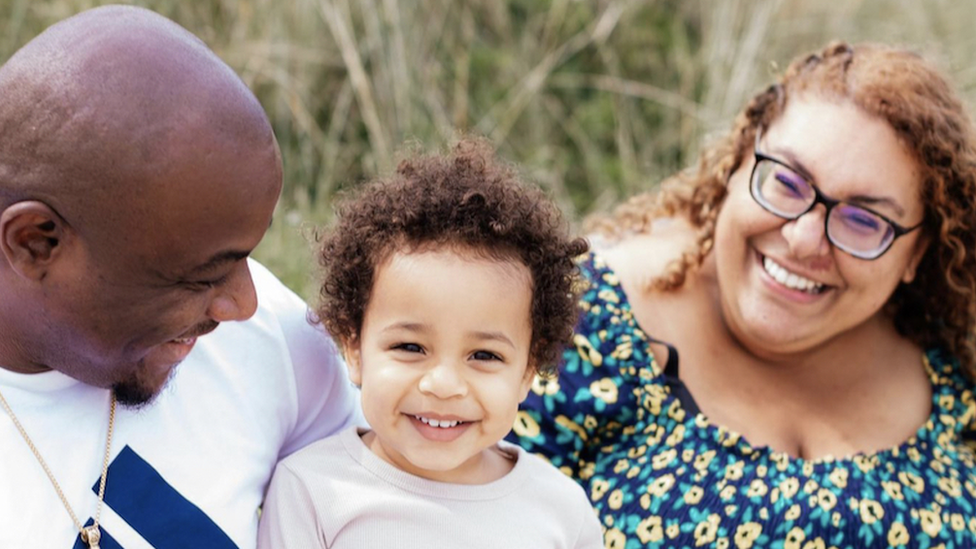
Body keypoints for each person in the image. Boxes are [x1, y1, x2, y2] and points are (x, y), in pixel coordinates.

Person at [508, 42, 976, 548]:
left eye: (863, 220)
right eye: (789, 182)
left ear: (916, 252)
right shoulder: (574, 323)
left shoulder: (951, 370)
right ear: (740, 160)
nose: (802, 239)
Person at [0, 6, 360, 549]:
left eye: (244, 258)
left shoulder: (275, 345)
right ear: (36, 242)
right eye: (200, 279)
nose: (244, 303)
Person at [256, 139, 603, 548]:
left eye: (484, 355)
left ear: (528, 369)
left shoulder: (562, 510)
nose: (443, 384)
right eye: (410, 347)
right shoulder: (313, 491)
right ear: (353, 346)